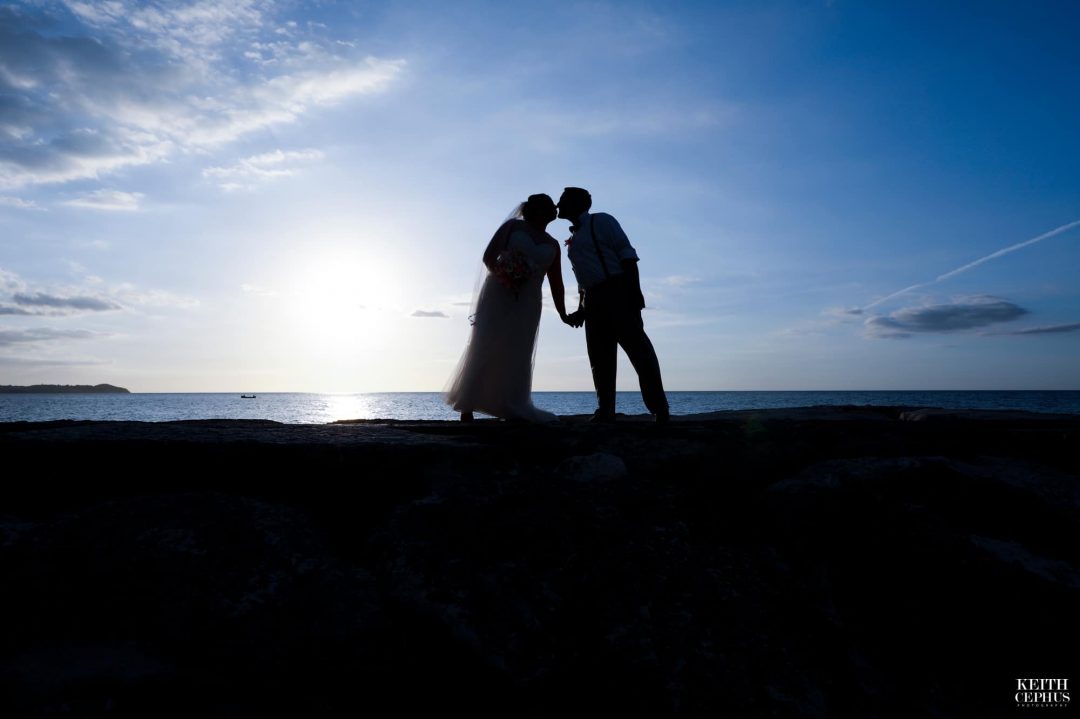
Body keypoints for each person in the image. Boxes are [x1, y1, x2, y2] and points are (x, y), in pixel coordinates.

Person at [445, 194, 568, 422]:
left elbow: (557, 283)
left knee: (519, 350)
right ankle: (468, 405)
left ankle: (511, 403)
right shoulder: (513, 227)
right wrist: (507, 275)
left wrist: (563, 312)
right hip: (499, 292)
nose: (555, 208)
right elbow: (489, 256)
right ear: (538, 210)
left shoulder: (552, 244)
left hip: (529, 301)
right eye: (550, 205)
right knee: (486, 342)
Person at [557, 187, 669, 423]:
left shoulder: (603, 221)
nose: (558, 205)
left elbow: (627, 255)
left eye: (562, 201)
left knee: (639, 351)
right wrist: (581, 308)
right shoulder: (574, 240)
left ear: (578, 203)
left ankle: (659, 409)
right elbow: (582, 279)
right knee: (599, 358)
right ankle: (605, 410)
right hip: (593, 300)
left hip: (617, 291)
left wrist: (635, 292)